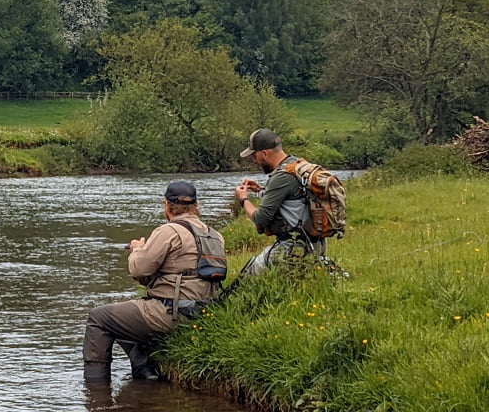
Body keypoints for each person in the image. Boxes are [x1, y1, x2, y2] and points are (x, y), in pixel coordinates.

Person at [83, 181, 225, 383]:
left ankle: (95, 389)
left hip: (174, 313)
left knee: (99, 318)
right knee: (124, 314)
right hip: (205, 311)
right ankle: (144, 373)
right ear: (196, 205)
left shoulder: (168, 231)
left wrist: (137, 249)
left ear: (167, 205)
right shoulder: (214, 235)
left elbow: (138, 270)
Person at [233, 128, 327, 275]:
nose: (254, 160)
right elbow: (293, 199)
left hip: (294, 247)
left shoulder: (281, 177)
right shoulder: (297, 165)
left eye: (254, 156)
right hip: (316, 244)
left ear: (264, 153)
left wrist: (244, 199)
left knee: (248, 277)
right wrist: (260, 190)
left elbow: (261, 219)